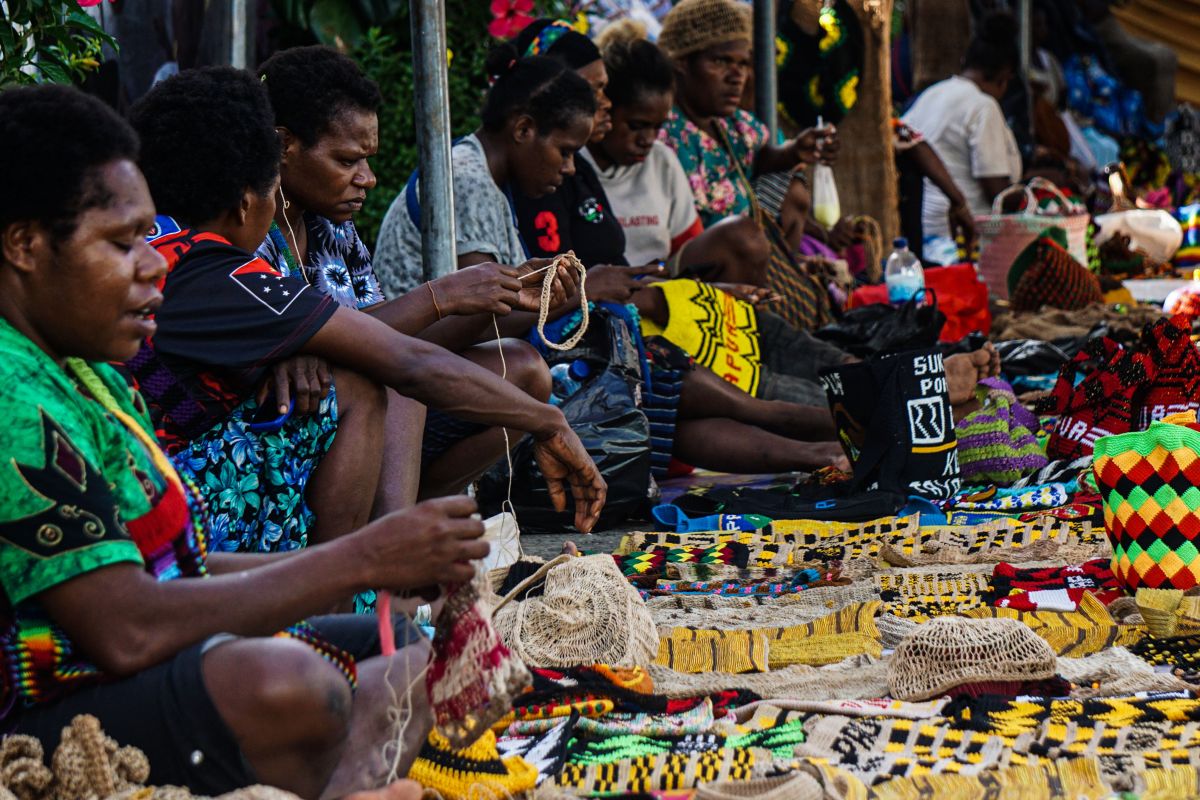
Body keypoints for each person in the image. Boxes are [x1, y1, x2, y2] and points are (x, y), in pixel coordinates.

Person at [0, 81, 471, 800]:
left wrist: (359, 567)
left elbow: (174, 570)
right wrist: (358, 558)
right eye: (123, 243)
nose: (155, 263)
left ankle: (337, 787)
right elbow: (123, 627)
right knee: (286, 685)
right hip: (34, 711)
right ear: (26, 246)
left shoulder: (84, 372)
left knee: (408, 657)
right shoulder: (10, 397)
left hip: (128, 662)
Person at [126, 68, 605, 565]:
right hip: (165, 502)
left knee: (377, 369)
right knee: (363, 381)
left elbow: (393, 345)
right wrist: (549, 423)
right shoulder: (220, 272)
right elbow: (402, 358)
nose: (366, 178)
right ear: (249, 200)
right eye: (347, 160)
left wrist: (311, 343)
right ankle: (356, 590)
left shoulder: (172, 249)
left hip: (153, 479)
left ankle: (374, 570)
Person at [254, 45, 573, 509]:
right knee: (395, 380)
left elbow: (383, 331)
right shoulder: (245, 229)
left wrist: (495, 297)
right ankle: (394, 549)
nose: (368, 178)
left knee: (521, 367)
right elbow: (374, 345)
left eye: (367, 160)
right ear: (284, 146)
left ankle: (414, 513)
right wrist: (442, 294)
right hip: (281, 423)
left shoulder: (331, 227)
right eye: (347, 161)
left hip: (345, 410)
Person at [655, 0, 839, 331]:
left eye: (743, 64)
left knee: (792, 190)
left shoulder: (733, 124)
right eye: (720, 61)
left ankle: (786, 288)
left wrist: (796, 151)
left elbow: (760, 159)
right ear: (682, 62)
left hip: (749, 249)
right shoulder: (665, 132)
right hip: (690, 268)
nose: (736, 75)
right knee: (742, 237)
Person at [373, 51, 595, 306]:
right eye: (565, 152)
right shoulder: (469, 182)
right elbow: (487, 316)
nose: (570, 168)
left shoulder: (481, 171)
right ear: (523, 129)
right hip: (412, 341)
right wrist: (587, 291)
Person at [584, 30, 769, 285]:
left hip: (662, 286)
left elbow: (688, 247)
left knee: (744, 235)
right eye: (637, 125)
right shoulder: (572, 164)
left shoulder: (662, 160)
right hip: (596, 295)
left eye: (657, 127)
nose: (647, 140)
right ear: (604, 109)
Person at [901, 12, 1023, 244]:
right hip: (963, 234)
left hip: (921, 226)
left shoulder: (932, 94)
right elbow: (997, 191)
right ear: (1004, 76)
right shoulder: (983, 106)